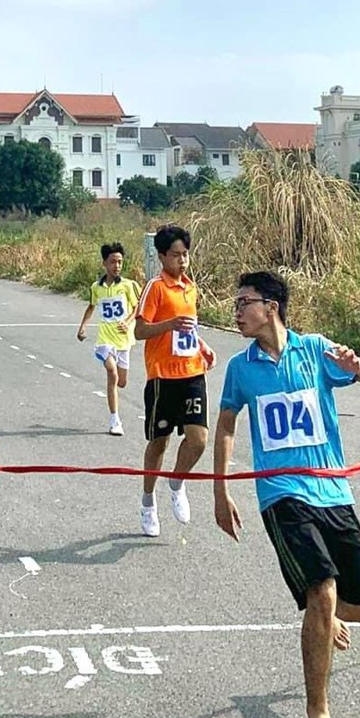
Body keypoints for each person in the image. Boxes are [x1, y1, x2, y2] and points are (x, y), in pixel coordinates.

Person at [213, 272, 360, 718]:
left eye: (244, 303)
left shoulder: (313, 349)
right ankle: (318, 712)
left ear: (271, 307)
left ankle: (323, 614)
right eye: (236, 303)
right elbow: (226, 425)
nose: (236, 312)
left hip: (332, 489)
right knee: (322, 588)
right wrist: (221, 490)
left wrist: (355, 366)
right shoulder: (240, 368)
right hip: (282, 494)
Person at [133, 224, 215, 538]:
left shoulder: (190, 288)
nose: (182, 261)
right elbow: (140, 330)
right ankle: (148, 502)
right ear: (162, 256)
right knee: (160, 442)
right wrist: (168, 324)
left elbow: (188, 329)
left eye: (185, 255)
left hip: (192, 372)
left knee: (198, 439)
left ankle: (177, 481)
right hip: (162, 376)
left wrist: (203, 346)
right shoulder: (155, 288)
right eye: (176, 255)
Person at [77, 242, 141, 435]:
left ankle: (115, 412)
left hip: (123, 340)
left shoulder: (129, 286)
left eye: (120, 262)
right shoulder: (96, 287)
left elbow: (137, 307)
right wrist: (83, 327)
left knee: (121, 382)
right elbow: (91, 307)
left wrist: (128, 321)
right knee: (112, 373)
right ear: (104, 263)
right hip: (105, 340)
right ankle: (115, 420)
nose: (117, 266)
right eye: (113, 262)